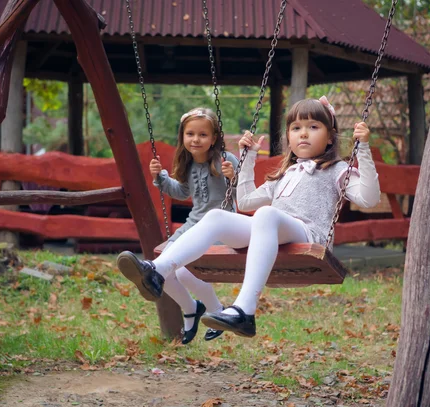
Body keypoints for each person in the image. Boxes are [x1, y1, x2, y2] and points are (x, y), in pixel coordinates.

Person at [117, 97, 381, 338]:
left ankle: (244, 310)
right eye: (296, 128)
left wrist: (364, 149)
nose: (303, 133)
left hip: (309, 235)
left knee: (266, 214)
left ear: (331, 137)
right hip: (273, 232)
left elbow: (369, 199)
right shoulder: (285, 174)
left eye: (313, 127)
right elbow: (244, 201)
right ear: (288, 136)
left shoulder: (337, 169)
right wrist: (248, 157)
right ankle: (157, 272)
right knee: (217, 217)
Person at [117, 107, 239, 344]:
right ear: (183, 137)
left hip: (222, 226)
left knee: (182, 269)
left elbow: (241, 194)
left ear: (214, 138)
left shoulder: (225, 160)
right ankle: (191, 308)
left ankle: (215, 308)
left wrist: (232, 177)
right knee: (167, 263)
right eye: (190, 134)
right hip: (194, 224)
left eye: (203, 135)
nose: (196, 139)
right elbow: (182, 192)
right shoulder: (188, 163)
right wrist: (161, 179)